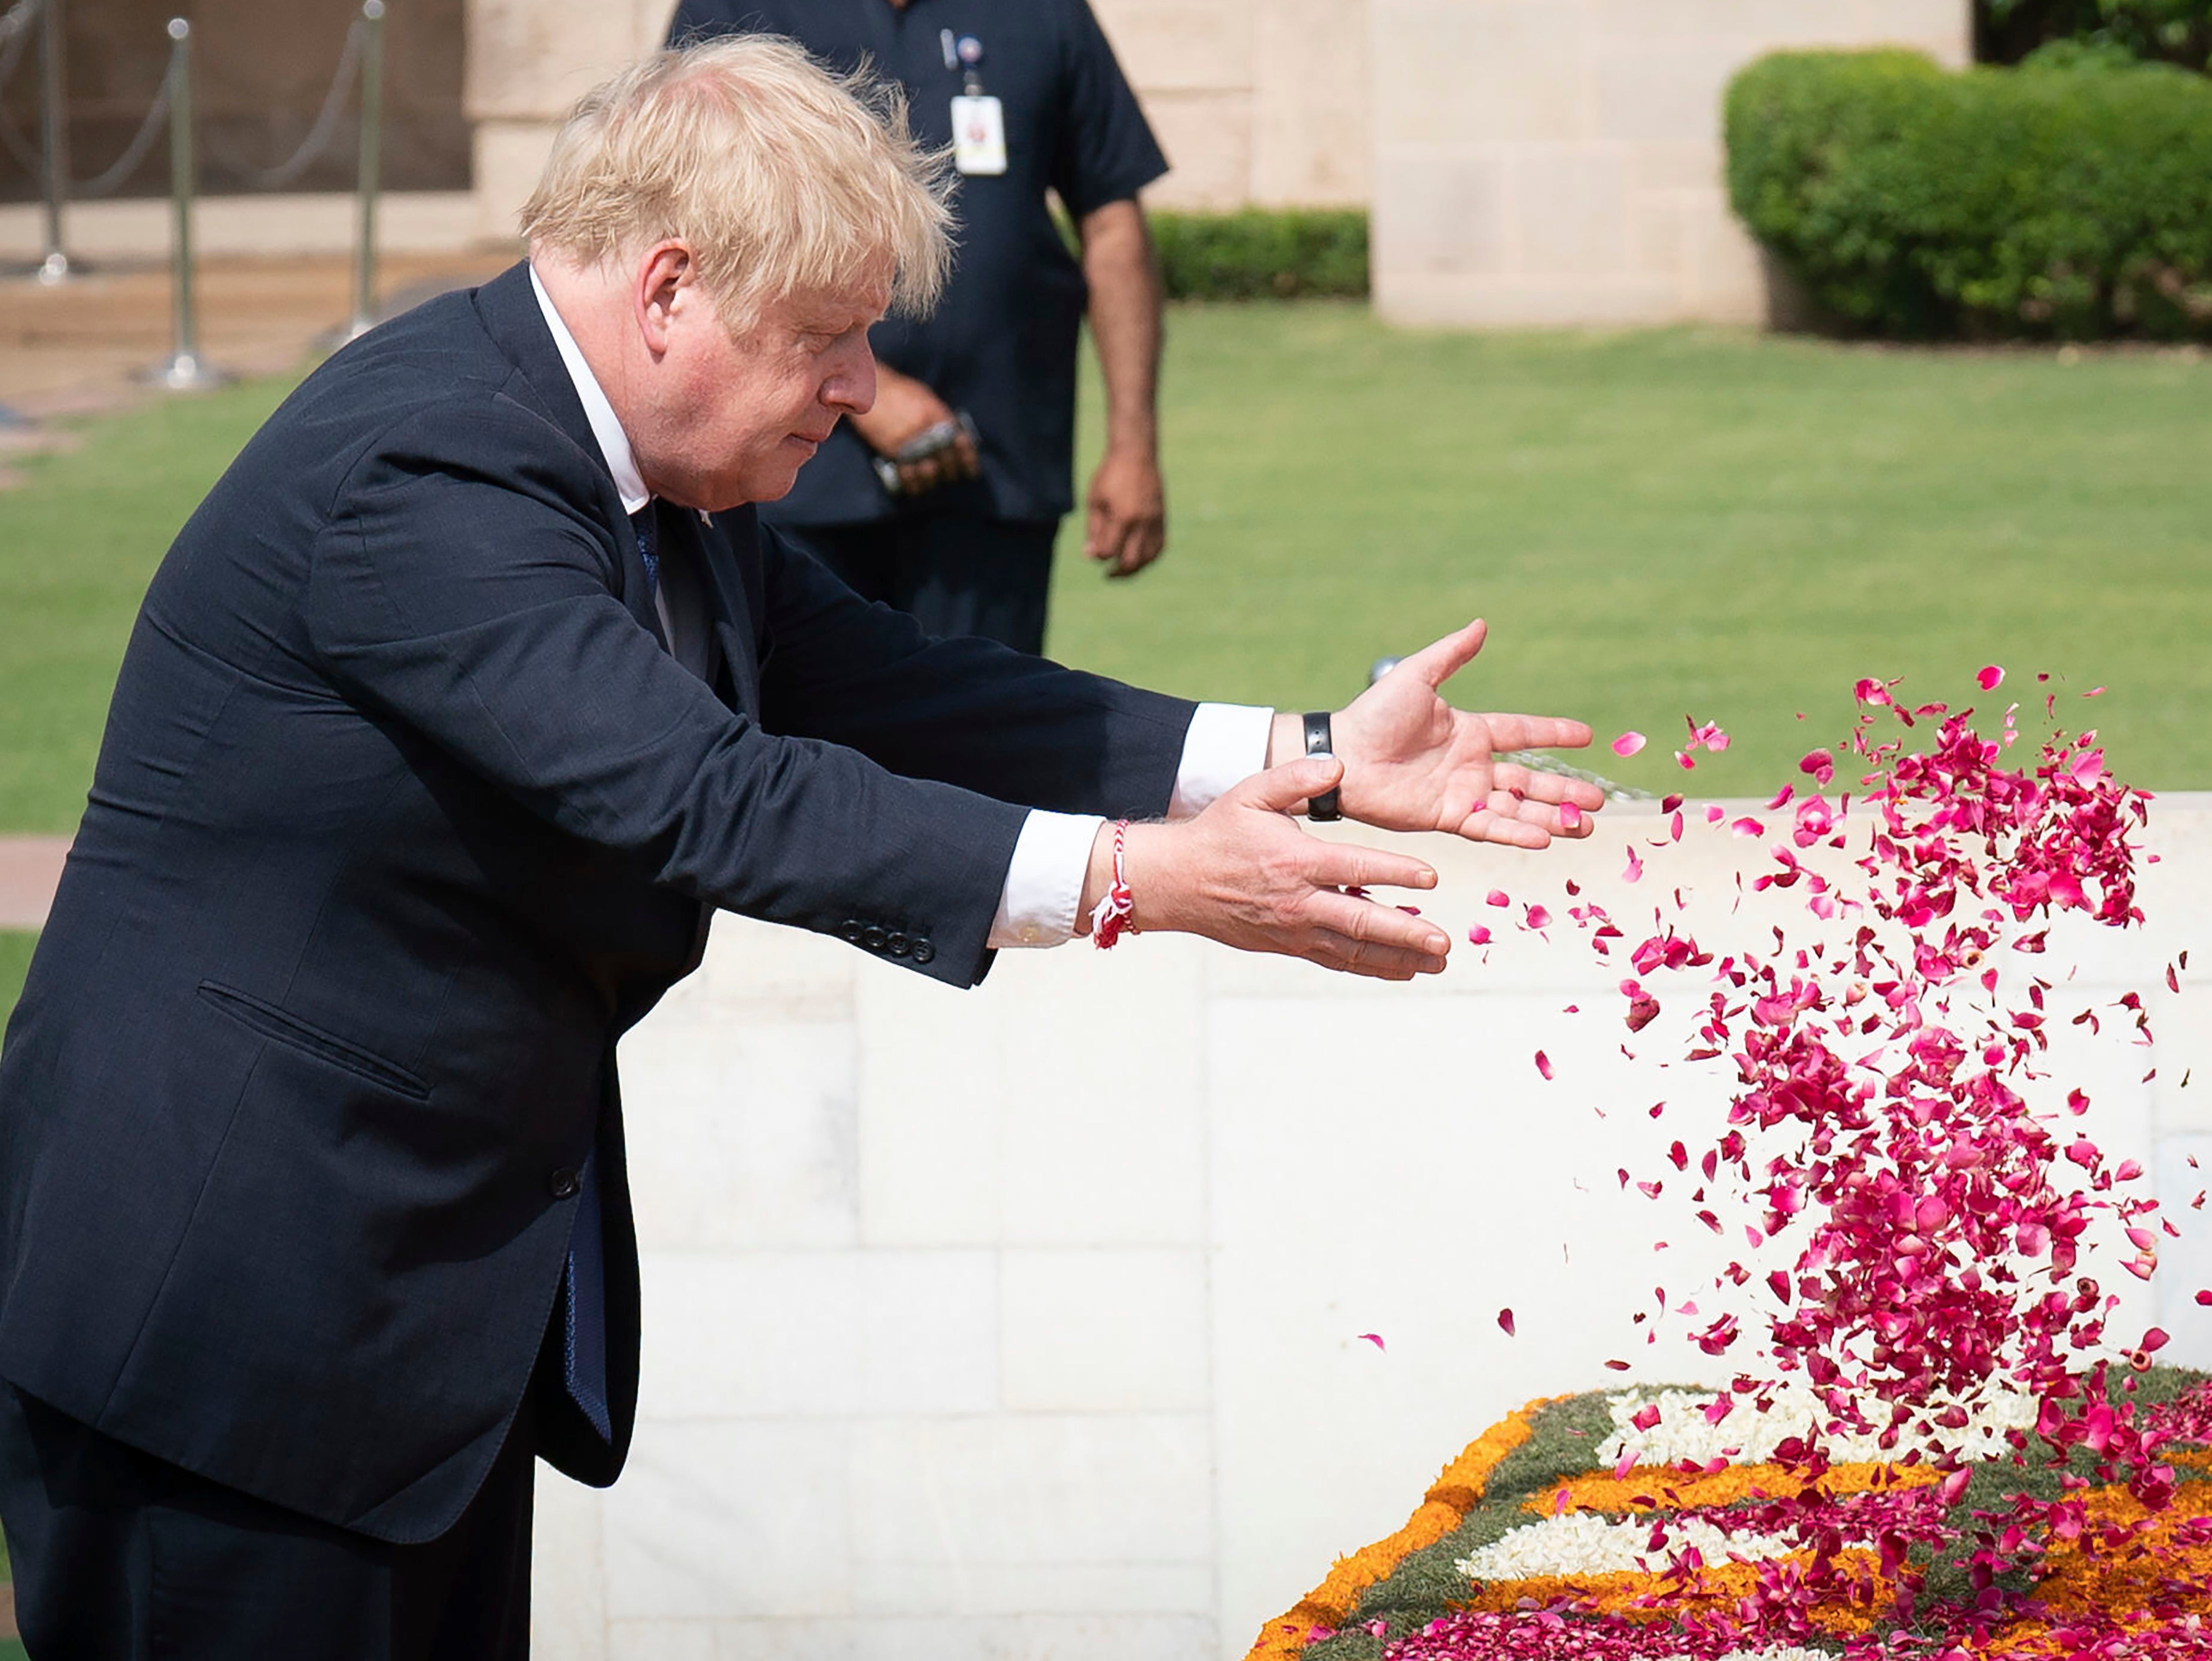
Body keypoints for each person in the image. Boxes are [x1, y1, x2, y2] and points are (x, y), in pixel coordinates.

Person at [0, 38, 1603, 1659]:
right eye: (825, 339)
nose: (858, 387)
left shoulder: (645, 471)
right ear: (668, 291)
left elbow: (894, 690)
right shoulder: (433, 471)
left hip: (394, 1334)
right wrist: (1136, 882)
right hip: (221, 1324)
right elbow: (713, 795)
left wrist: (1308, 756)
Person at [665, 0, 1169, 654]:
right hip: (786, 477)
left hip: (992, 475)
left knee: (983, 739)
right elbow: (691, 215)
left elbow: (1111, 225)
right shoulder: (738, 7)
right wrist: (865, 389)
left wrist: (1132, 446)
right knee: (795, 734)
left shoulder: (1045, 13)